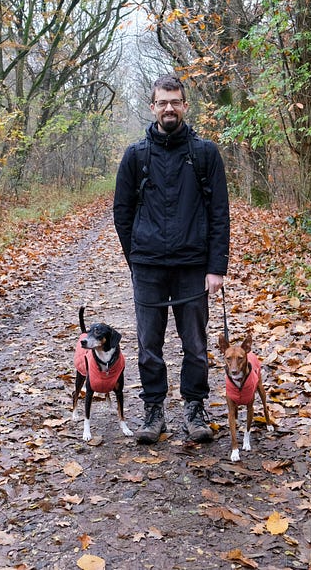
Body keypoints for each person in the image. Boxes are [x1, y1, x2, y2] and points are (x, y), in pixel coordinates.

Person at [113, 74, 230, 445]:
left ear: (184, 105)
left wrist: (216, 267)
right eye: (162, 102)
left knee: (195, 343)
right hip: (148, 266)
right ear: (152, 107)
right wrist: (136, 256)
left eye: (175, 102)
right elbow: (122, 210)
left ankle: (195, 408)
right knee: (149, 343)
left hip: (193, 266)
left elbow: (219, 213)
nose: (169, 108)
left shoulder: (205, 153)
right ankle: (154, 411)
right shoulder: (136, 155)